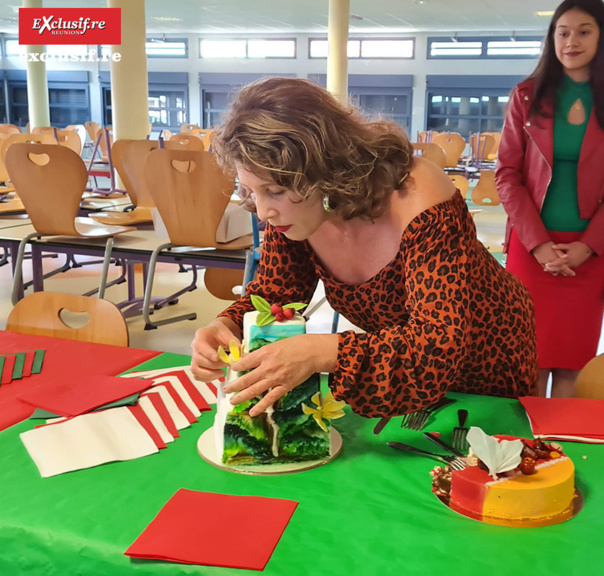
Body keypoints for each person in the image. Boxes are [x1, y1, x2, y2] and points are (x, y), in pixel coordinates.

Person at [189, 78, 537, 417]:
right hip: (405, 372)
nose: (264, 211)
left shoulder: (418, 195)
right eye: (251, 191)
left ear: (323, 168)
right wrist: (227, 324)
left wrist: (321, 351)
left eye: (275, 191)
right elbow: (275, 294)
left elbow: (434, 351)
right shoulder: (294, 211)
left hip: (487, 360)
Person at [496, 0, 604, 398]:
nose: (571, 41)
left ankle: (559, 447)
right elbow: (508, 174)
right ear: (551, 38)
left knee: (572, 364)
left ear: (603, 37)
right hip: (532, 251)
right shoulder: (527, 96)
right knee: (527, 363)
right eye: (562, 32)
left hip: (587, 255)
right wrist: (540, 245)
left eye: (584, 31)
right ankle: (523, 453)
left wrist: (587, 246)